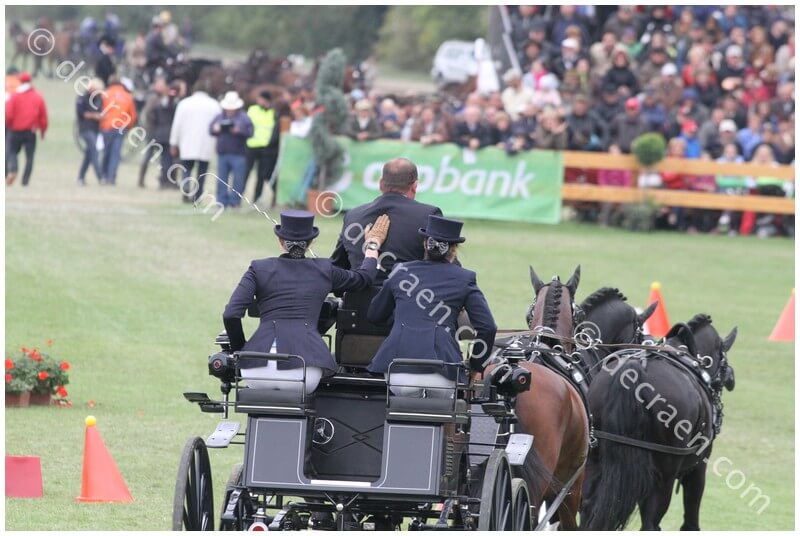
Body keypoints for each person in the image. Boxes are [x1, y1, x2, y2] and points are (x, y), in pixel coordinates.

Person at [222, 210, 391, 394]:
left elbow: (231, 314)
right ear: (311, 242)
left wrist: (241, 350)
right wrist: (372, 245)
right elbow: (364, 278)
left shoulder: (258, 268)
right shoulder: (324, 269)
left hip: (256, 367)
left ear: (280, 241)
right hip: (303, 366)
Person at [367, 214, 497, 397]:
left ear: (424, 244)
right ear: (454, 249)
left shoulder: (400, 272)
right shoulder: (465, 278)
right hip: (443, 370)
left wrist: (403, 320)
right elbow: (488, 327)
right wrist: (476, 366)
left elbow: (375, 315)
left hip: (398, 369)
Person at [331, 158, 442, 284]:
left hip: (360, 295)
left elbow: (338, 267)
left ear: (381, 183)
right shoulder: (429, 215)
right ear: (415, 186)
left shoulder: (353, 215)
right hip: (408, 294)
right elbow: (444, 265)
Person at [169, 80, 222, 202]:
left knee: (186, 169)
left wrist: (174, 143)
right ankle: (198, 195)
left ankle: (186, 189)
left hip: (187, 142)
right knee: (202, 171)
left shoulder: (184, 103)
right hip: (206, 143)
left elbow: (177, 125)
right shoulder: (214, 105)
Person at [210, 91, 254, 208]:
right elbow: (210, 129)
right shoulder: (219, 117)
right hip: (223, 153)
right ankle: (221, 201)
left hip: (239, 154)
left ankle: (235, 202)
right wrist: (216, 129)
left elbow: (250, 132)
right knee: (221, 180)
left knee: (238, 180)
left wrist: (239, 131)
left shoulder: (244, 118)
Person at [6, 72, 47, 186]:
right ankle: (25, 181)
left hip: (15, 131)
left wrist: (10, 126)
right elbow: (43, 116)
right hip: (30, 131)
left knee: (11, 152)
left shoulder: (14, 96)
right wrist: (42, 131)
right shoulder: (37, 96)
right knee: (30, 157)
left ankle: (13, 169)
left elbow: (8, 114)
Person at [245, 90, 280, 208]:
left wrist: (271, 144)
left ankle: (257, 199)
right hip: (251, 146)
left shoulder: (273, 113)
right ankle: (239, 198)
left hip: (266, 149)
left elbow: (275, 130)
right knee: (246, 173)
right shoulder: (252, 109)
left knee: (262, 175)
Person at [99, 76, 136, 185]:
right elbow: (133, 115)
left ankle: (103, 175)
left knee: (106, 152)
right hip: (120, 128)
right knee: (115, 153)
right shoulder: (128, 96)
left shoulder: (105, 94)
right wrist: (128, 126)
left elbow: (100, 111)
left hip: (106, 127)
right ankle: (112, 177)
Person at [76, 78, 104, 185]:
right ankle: (100, 177)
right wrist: (95, 116)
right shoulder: (82, 98)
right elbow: (82, 113)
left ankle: (81, 177)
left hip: (95, 130)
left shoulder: (98, 99)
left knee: (89, 154)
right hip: (85, 129)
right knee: (94, 151)